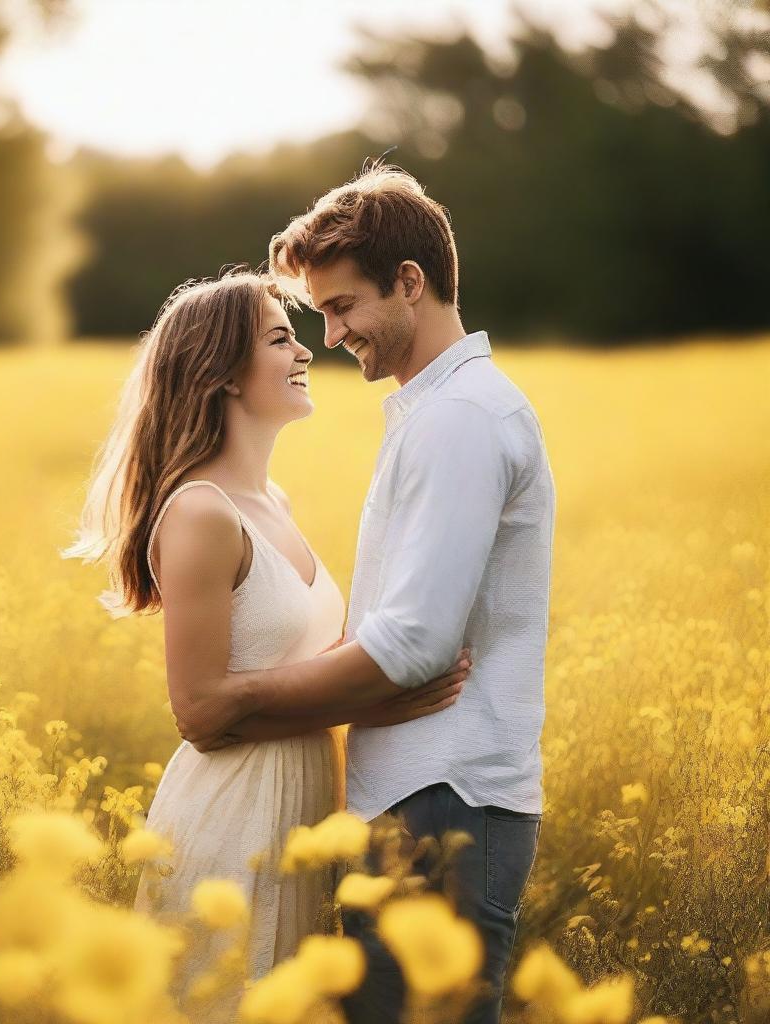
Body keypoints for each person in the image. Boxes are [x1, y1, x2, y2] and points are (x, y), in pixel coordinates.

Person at [175, 164, 557, 1024]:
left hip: (446, 797)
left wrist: (226, 704)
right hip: (420, 798)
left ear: (410, 284)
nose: (332, 333)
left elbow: (415, 643)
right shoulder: (436, 412)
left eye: (343, 306)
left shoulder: (462, 417)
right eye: (317, 316)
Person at [60, 266, 471, 1022]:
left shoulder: (272, 503)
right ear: (221, 374)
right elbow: (199, 713)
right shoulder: (201, 513)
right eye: (281, 338)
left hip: (305, 810)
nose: (309, 350)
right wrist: (372, 707)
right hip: (234, 814)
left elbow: (308, 664)